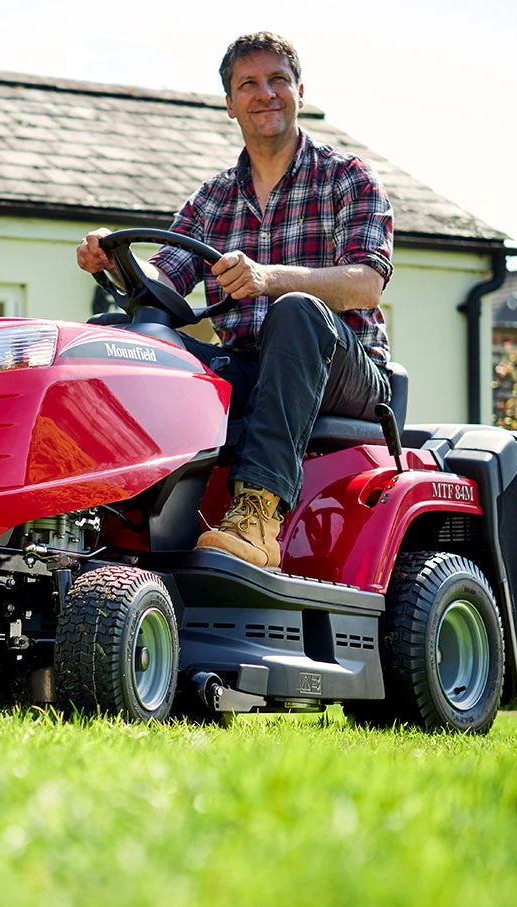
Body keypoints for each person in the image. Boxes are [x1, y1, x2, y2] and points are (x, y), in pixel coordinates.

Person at [77, 31, 394, 569]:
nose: (265, 93)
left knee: (295, 311)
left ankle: (257, 516)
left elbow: (366, 281)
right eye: (249, 84)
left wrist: (269, 278)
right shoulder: (213, 197)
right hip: (247, 369)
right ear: (229, 104)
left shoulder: (348, 177)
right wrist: (117, 263)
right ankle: (109, 506)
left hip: (345, 370)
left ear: (299, 91)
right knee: (114, 334)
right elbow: (166, 280)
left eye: (278, 80)